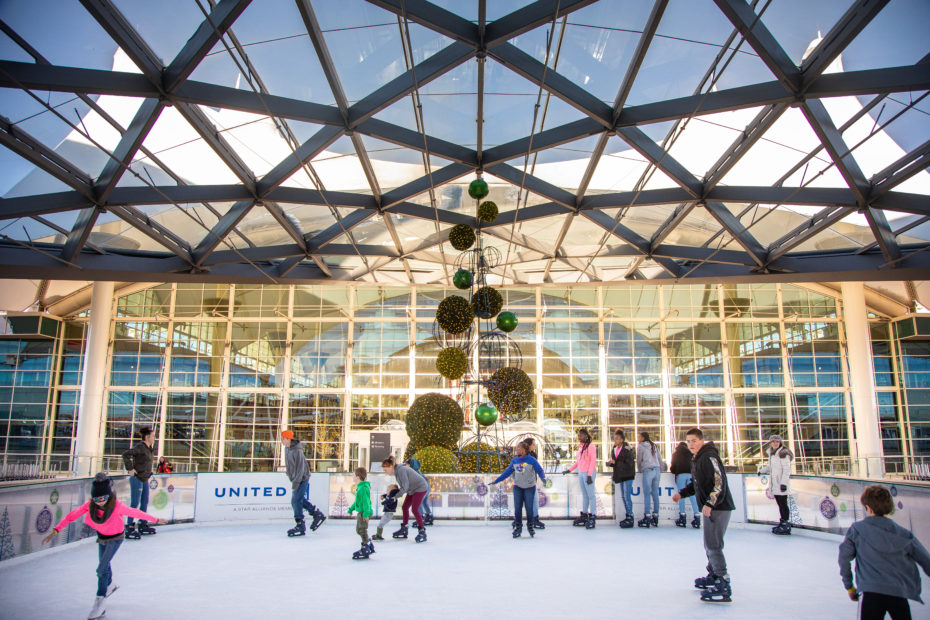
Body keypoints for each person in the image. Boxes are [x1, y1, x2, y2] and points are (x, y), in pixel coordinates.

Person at [42, 473, 164, 620]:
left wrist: (155, 519)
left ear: (109, 496)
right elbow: (71, 516)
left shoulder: (116, 506)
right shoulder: (90, 506)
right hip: (102, 538)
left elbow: (135, 512)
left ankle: (100, 601)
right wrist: (56, 530)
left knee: (101, 569)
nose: (100, 502)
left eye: (103, 498)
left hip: (116, 538)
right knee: (104, 567)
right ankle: (110, 584)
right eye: (97, 499)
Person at [839, 485, 930, 620]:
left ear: (868, 508)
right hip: (898, 593)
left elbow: (844, 558)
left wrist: (850, 587)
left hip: (871, 594)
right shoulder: (904, 534)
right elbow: (926, 560)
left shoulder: (857, 530)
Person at [672, 428, 736, 603]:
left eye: (694, 441)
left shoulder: (709, 457)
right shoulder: (698, 459)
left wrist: (710, 503)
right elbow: (696, 484)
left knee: (713, 545)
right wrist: (681, 494)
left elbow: (719, 481)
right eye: (688, 441)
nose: (691, 444)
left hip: (718, 507)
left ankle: (723, 582)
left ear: (701, 441)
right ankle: (714, 574)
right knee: (709, 543)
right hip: (713, 507)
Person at [491, 441, 546, 538]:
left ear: (525, 450)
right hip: (518, 487)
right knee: (517, 509)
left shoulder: (532, 460)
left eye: (519, 448)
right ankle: (518, 527)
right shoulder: (515, 461)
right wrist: (497, 480)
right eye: (516, 448)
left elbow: (539, 470)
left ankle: (530, 526)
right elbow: (507, 472)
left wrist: (543, 478)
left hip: (529, 487)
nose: (517, 450)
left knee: (529, 508)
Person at [281, 430, 326, 537]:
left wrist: (296, 482)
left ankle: (300, 523)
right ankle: (316, 513)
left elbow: (300, 468)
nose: (281, 440)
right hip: (295, 477)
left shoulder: (297, 451)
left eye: (282, 438)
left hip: (302, 477)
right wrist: (289, 473)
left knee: (295, 500)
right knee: (298, 499)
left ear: (288, 439)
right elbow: (289, 463)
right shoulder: (287, 448)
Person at [382, 456, 429, 543]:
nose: (385, 472)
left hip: (420, 487)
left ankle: (422, 530)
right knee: (405, 507)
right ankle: (404, 528)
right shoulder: (397, 471)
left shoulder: (401, 470)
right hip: (412, 489)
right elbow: (405, 487)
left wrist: (395, 496)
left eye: (385, 470)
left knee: (415, 509)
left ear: (391, 467)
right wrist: (393, 495)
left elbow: (405, 486)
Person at [121, 427, 156, 539]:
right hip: (137, 478)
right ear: (147, 437)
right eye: (153, 436)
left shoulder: (149, 448)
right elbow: (126, 454)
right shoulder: (140, 447)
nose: (154, 438)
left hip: (145, 478)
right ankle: (129, 526)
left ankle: (142, 523)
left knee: (144, 501)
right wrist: (130, 468)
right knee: (135, 503)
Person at [562, 428, 597, 529]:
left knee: (591, 495)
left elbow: (592, 461)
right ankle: (584, 514)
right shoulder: (581, 447)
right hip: (581, 472)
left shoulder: (591, 446)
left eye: (581, 435)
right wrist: (570, 470)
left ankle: (593, 515)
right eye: (578, 436)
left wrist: (590, 475)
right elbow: (579, 461)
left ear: (586, 436)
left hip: (588, 473)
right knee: (585, 495)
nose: (579, 437)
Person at [759, 434, 793, 535]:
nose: (775, 443)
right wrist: (762, 470)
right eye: (773, 442)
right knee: (780, 504)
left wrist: (783, 483)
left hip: (781, 484)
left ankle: (785, 524)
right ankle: (782, 521)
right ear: (770, 443)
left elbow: (787, 469)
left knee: (783, 504)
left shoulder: (783, 453)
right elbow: (771, 467)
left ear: (780, 442)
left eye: (777, 442)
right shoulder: (772, 453)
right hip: (775, 483)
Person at [606, 429, 635, 528]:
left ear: (622, 440)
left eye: (617, 438)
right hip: (620, 475)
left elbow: (630, 462)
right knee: (623, 496)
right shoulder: (614, 449)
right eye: (615, 438)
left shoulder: (627, 448)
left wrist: (616, 463)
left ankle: (630, 515)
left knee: (627, 496)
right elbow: (616, 462)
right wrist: (610, 463)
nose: (615, 440)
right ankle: (628, 514)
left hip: (628, 475)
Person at [637, 431, 663, 528]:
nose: (638, 439)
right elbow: (659, 458)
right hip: (657, 470)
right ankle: (656, 515)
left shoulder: (641, 446)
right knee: (655, 493)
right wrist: (662, 468)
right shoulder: (654, 446)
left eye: (639, 437)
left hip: (648, 470)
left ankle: (647, 515)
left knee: (647, 493)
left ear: (643, 438)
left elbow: (639, 459)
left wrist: (639, 469)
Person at [671, 441, 700, 529]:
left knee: (681, 495)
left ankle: (682, 517)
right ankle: (697, 516)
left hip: (680, 475)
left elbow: (673, 467)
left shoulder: (676, 454)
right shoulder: (691, 453)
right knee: (692, 495)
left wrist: (675, 471)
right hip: (690, 474)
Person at [347, 466, 374, 560]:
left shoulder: (363, 488)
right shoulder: (360, 487)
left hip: (364, 512)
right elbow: (357, 501)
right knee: (359, 529)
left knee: (361, 529)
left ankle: (366, 546)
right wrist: (351, 509)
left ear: (358, 476)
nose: (352, 477)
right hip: (362, 511)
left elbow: (366, 502)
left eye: (353, 475)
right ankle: (368, 543)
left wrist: (366, 515)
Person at [524, 437, 545, 530]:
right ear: (528, 445)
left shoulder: (533, 454)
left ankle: (534, 518)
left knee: (534, 500)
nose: (535, 445)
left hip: (532, 481)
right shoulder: (524, 455)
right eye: (533, 444)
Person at [408, 457, 434, 526]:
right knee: (424, 501)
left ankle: (420, 518)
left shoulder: (413, 471)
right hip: (427, 486)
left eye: (408, 463)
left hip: (423, 487)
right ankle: (428, 516)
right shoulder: (417, 470)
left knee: (418, 501)